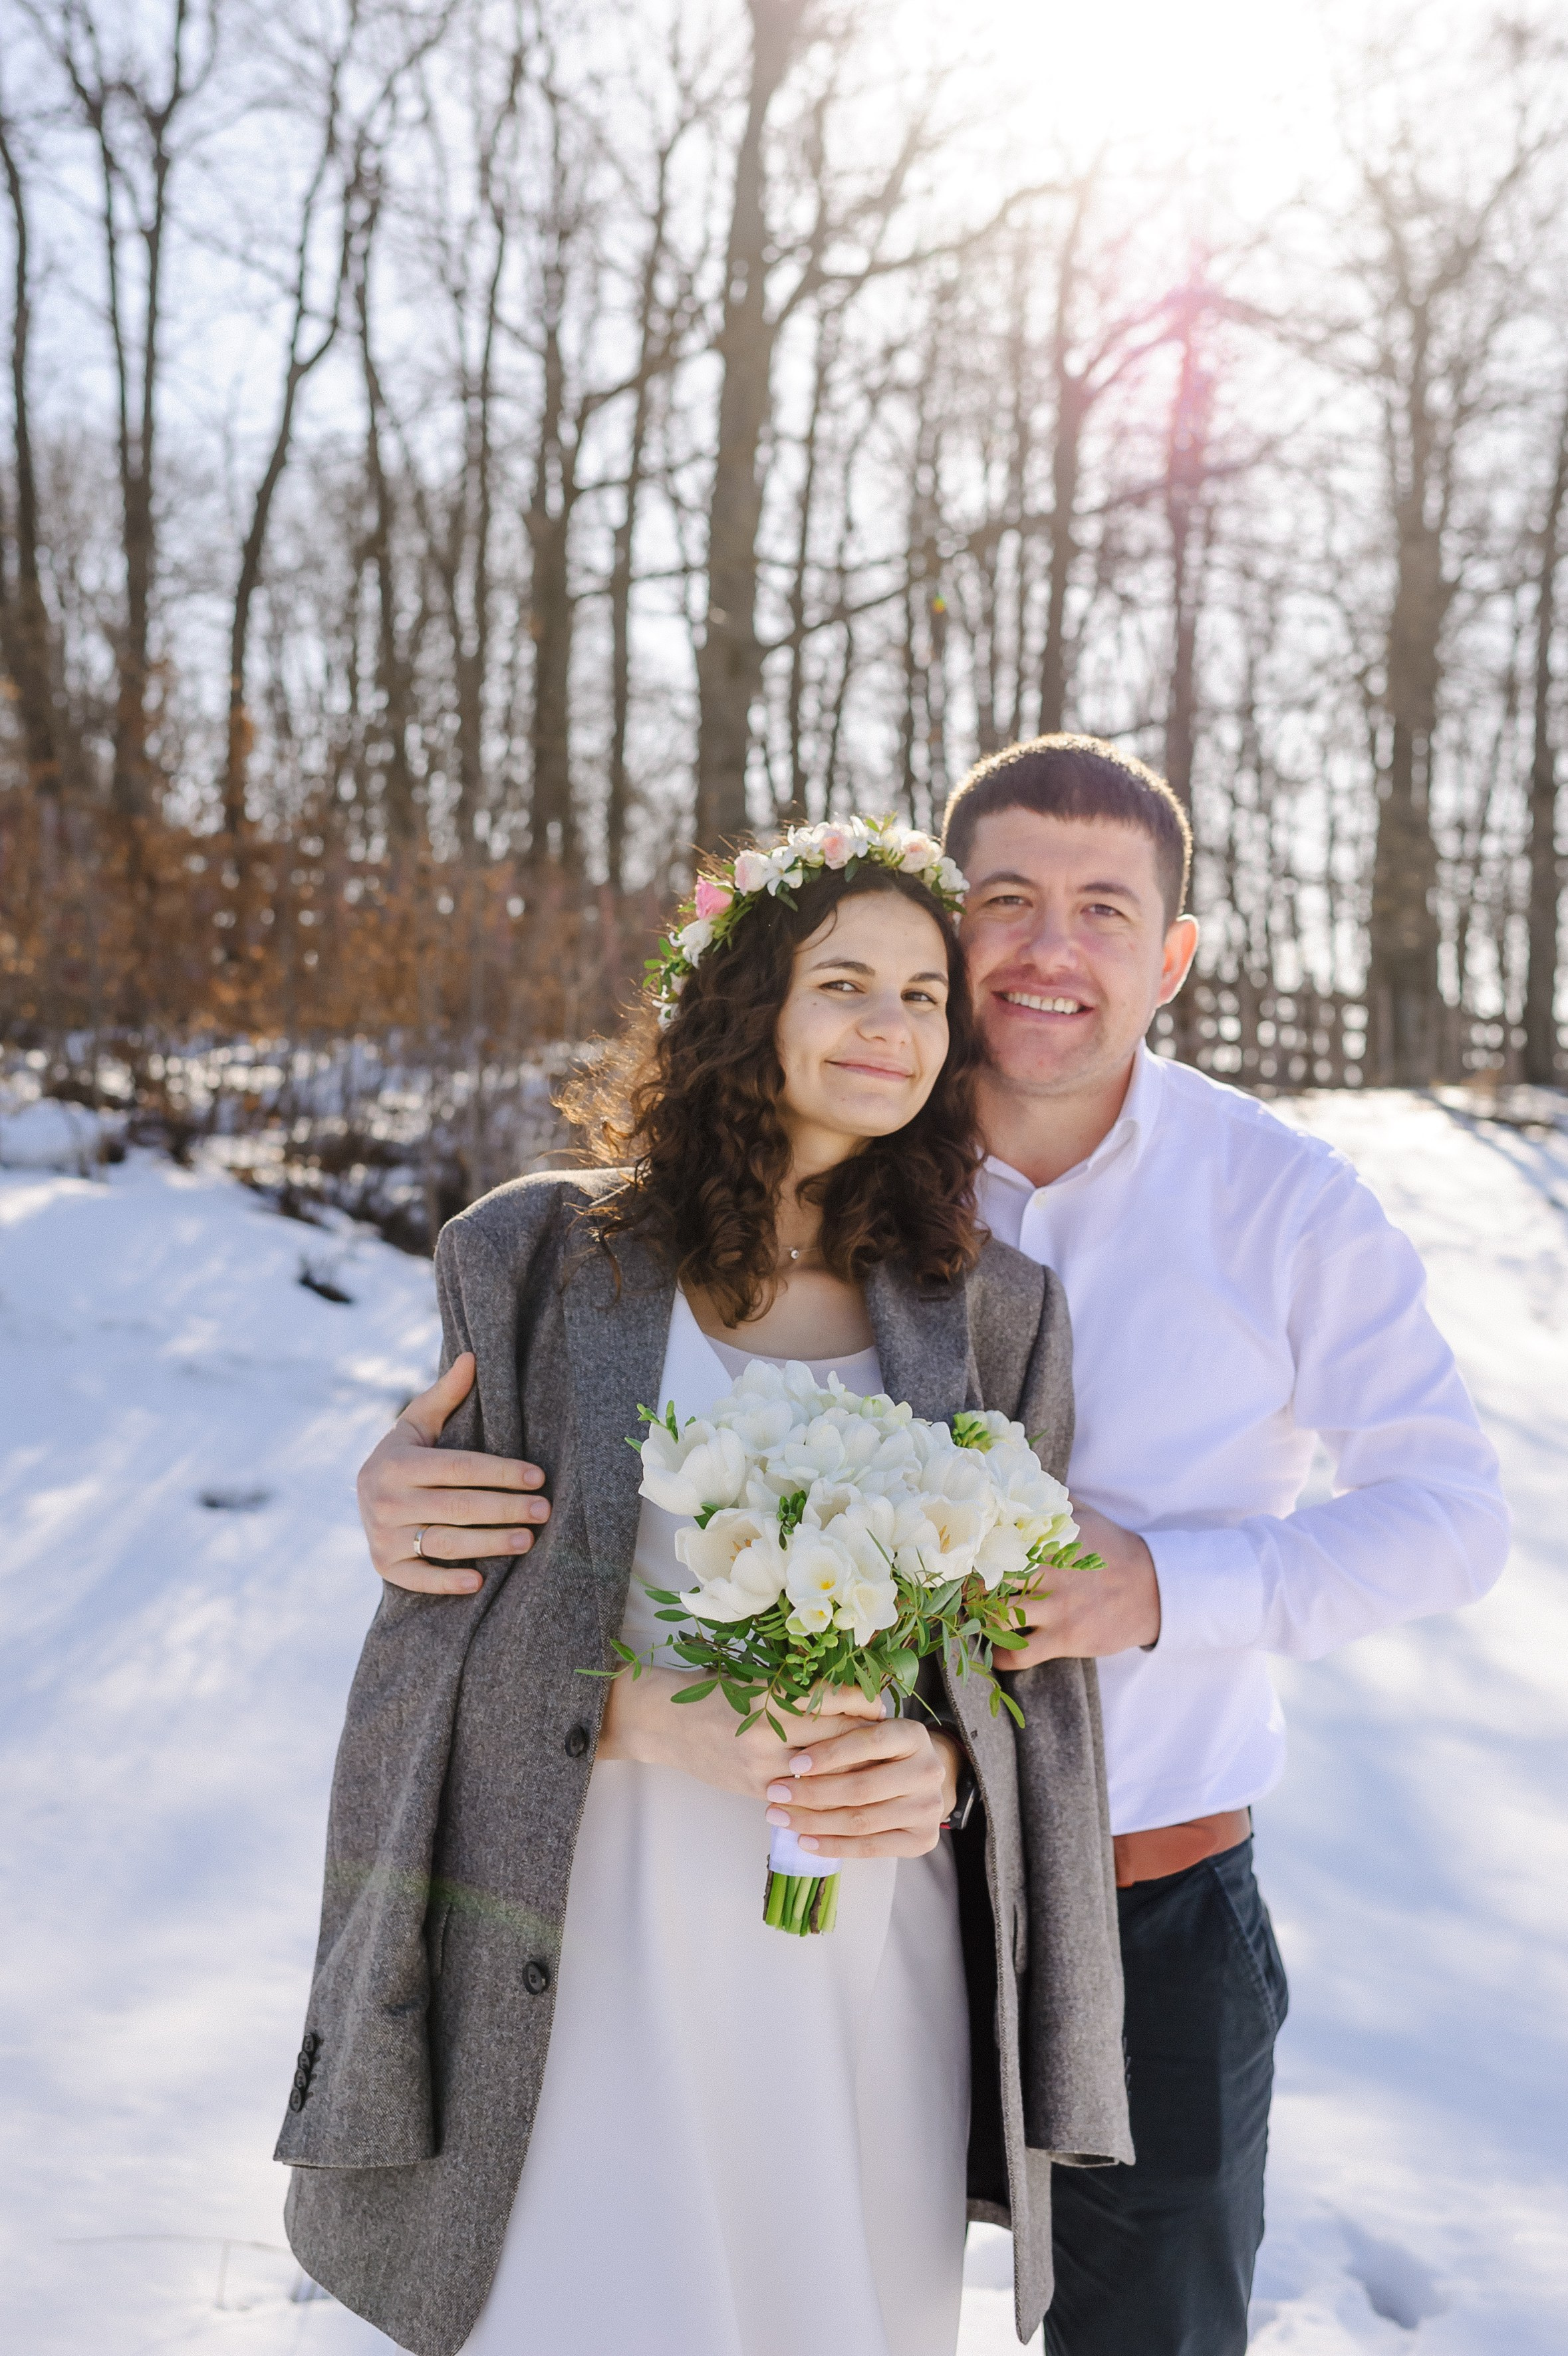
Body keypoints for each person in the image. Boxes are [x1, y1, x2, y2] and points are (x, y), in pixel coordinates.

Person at [359, 739, 1510, 2356]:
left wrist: (1169, 1586)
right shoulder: (852, 1130)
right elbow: (579, 1408)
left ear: (1171, 956)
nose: (1052, 948)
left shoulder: (1282, 1204)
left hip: (1125, 1893)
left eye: (1107, 910)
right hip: (754, 1875)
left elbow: (1457, 1513)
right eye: (1007, 902)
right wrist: (405, 1491)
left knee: (1134, 2327)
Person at [277, 821, 1131, 2356]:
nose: (893, 1025)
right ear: (750, 1005)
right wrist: (652, 1719)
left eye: (929, 996)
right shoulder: (540, 1255)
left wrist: (936, 1763)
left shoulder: (996, 1311)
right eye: (846, 982)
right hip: (591, 1911)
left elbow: (1024, 1666)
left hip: (867, 1931)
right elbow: (434, 1633)